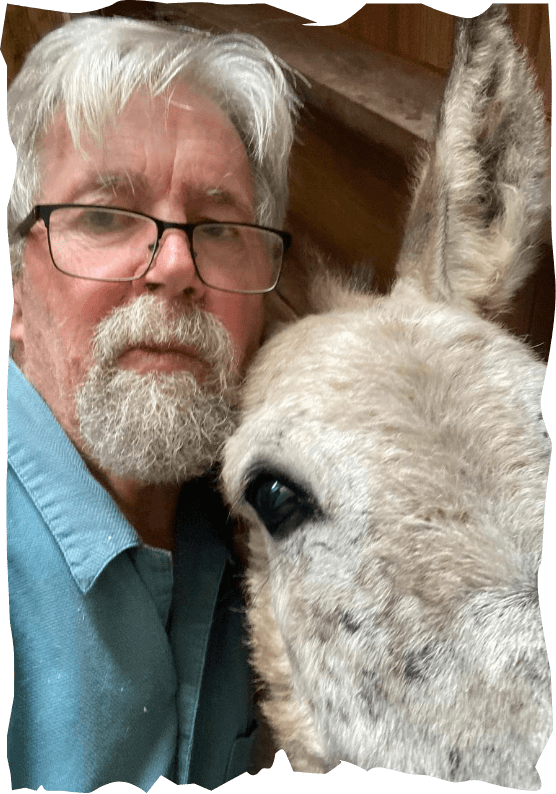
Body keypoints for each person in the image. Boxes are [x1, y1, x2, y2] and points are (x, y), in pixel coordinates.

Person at [6, 14, 299, 792]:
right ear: (16, 293)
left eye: (220, 225)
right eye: (105, 214)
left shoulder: (268, 523)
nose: (174, 266)